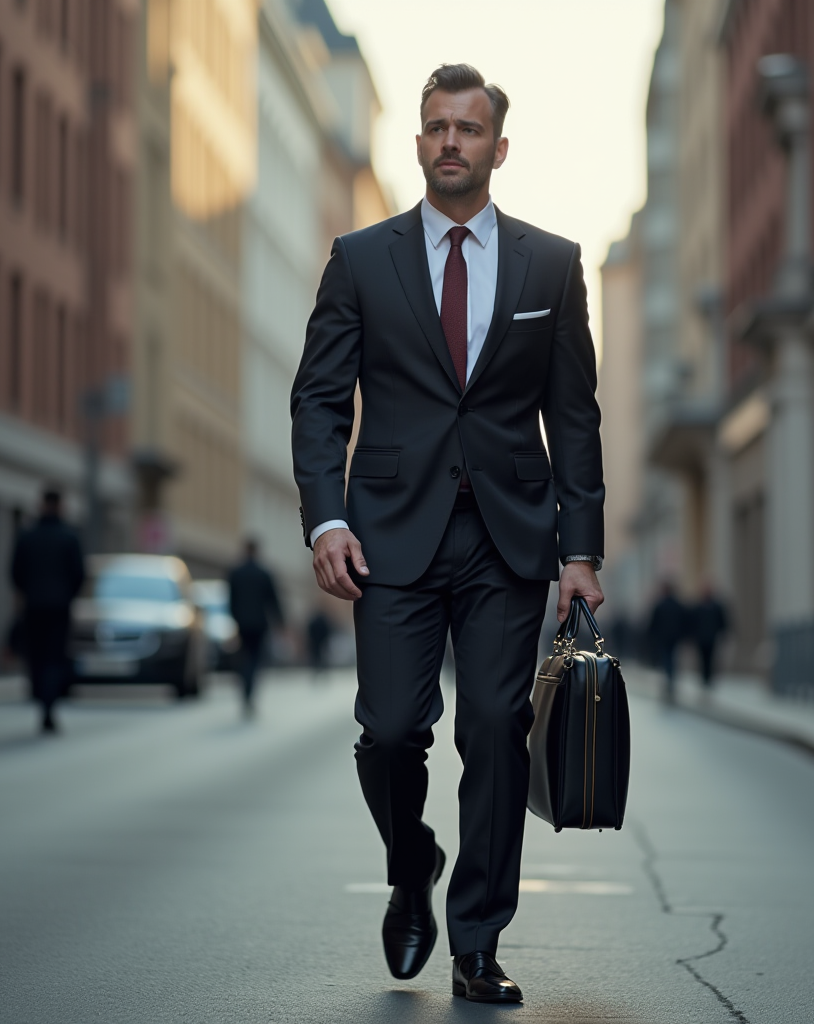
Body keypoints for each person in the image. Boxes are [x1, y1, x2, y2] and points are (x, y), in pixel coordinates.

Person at [290, 64, 604, 1003]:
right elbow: (317, 399)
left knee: (498, 731)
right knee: (389, 732)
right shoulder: (361, 257)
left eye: (469, 129)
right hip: (387, 534)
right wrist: (327, 520)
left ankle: (476, 941)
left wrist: (579, 550)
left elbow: (575, 417)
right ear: (418, 141)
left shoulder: (551, 263)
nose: (452, 142)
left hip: (509, 538)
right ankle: (410, 858)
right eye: (436, 127)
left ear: (498, 148)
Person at [11, 488, 85, 734]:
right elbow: (79, 575)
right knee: (54, 657)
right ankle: (49, 705)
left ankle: (42, 697)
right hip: (59, 608)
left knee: (37, 657)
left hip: (34, 606)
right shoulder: (69, 537)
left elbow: (15, 572)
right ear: (61, 506)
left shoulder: (28, 536)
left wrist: (29, 592)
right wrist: (67, 596)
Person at [227, 539, 283, 715]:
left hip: (242, 623)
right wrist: (280, 622)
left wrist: (234, 618)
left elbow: (231, 600)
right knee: (255, 659)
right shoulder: (263, 573)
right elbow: (273, 600)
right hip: (259, 624)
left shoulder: (236, 573)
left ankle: (245, 688)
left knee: (244, 658)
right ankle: (249, 692)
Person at [646, 580, 688, 703]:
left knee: (666, 658)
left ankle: (668, 678)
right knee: (672, 657)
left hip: (663, 638)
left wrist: (651, 636)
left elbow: (653, 623)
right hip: (674, 637)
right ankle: (671, 678)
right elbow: (684, 621)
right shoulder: (678, 605)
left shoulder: (660, 605)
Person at [690, 585, 729, 689]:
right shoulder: (698, 606)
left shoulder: (716, 606)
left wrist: (723, 632)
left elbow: (722, 621)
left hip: (712, 637)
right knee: (702, 659)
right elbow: (693, 622)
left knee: (710, 658)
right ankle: (704, 678)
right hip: (701, 638)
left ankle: (709, 678)